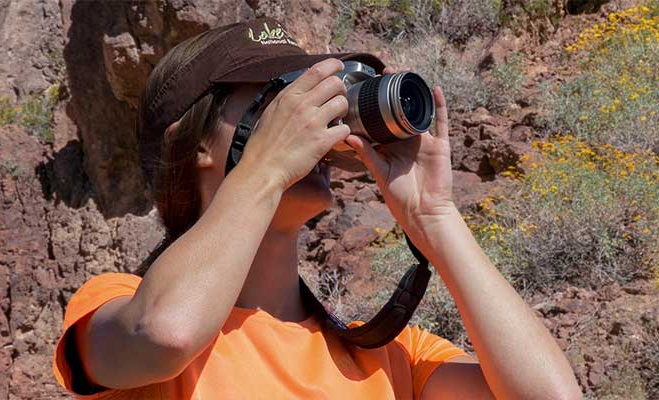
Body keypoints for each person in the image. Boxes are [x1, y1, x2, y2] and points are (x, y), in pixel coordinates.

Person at [50, 18, 580, 399]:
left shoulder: (390, 357)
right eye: (282, 103)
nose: (316, 125)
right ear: (197, 145)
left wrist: (434, 217)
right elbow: (165, 335)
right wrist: (267, 168)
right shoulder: (118, 304)